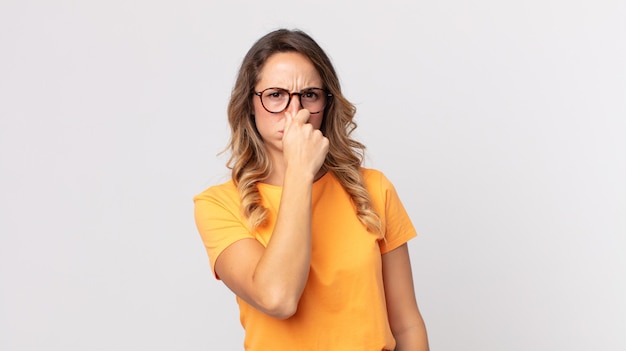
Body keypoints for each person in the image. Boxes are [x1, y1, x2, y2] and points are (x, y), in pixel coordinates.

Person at [194, 28, 429, 351]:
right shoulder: (218, 205)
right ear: (250, 104)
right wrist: (300, 172)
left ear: (326, 103)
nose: (295, 111)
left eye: (310, 95)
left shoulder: (374, 188)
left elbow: (407, 325)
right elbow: (277, 298)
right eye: (275, 95)